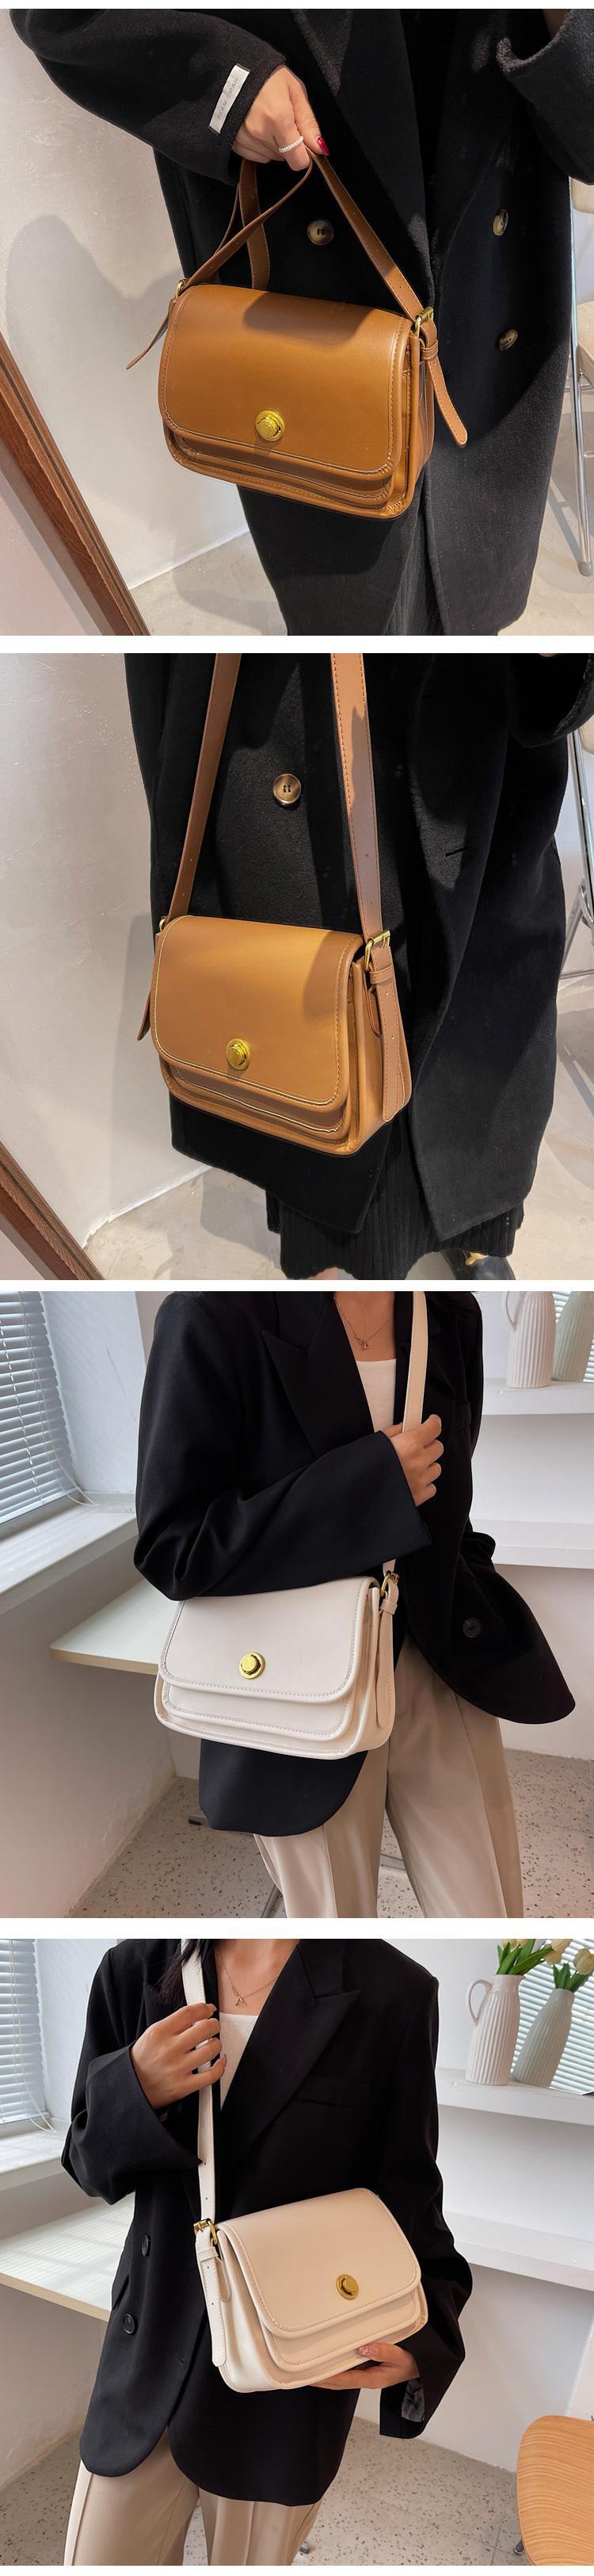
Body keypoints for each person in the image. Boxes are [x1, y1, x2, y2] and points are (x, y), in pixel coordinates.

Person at [12, 10, 594, 635]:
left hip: (493, 277)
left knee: (473, 610)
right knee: (349, 626)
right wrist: (226, 84)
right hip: (304, 277)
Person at [126, 648, 594, 1279]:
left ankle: (472, 1227)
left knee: (474, 1038)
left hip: (474, 732)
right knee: (314, 1062)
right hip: (288, 741)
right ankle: (341, 1264)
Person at [134, 1286, 574, 1917]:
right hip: (300, 1692)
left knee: (490, 1914)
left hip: (439, 1661)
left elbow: (447, 1493)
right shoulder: (213, 1316)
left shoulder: (448, 1310)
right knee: (336, 1931)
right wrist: (370, 1485)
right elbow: (175, 1548)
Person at [62, 1932, 472, 2566]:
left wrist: (425, 2340)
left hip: (289, 2379)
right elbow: (88, 2164)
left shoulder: (393, 1991)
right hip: (147, 2360)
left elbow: (407, 2196)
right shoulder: (136, 1967)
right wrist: (135, 2085)